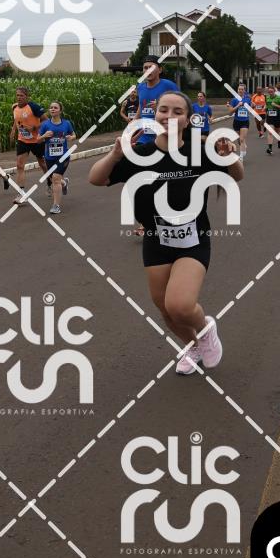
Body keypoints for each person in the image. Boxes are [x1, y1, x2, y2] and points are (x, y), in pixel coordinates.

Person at [89, 91, 244, 375]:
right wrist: (114, 155)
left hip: (192, 239)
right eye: (163, 110)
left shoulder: (199, 150)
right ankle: (193, 346)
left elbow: (237, 175)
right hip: (156, 240)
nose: (169, 116)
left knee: (180, 305)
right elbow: (96, 179)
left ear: (188, 119)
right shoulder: (139, 154)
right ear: (154, 114)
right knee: (165, 309)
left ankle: (206, 329)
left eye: (177, 112)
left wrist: (229, 157)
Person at [10, 87, 49, 204]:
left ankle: (51, 181)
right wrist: (13, 130)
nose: (19, 97)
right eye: (17, 95)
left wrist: (34, 128)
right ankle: (21, 193)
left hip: (37, 140)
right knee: (19, 165)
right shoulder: (14, 107)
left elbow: (46, 121)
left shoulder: (33, 107)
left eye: (21, 95)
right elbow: (17, 119)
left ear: (27, 96)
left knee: (42, 164)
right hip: (23, 140)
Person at [37, 101, 76, 214]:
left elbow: (74, 135)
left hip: (63, 156)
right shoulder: (45, 125)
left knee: (55, 178)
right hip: (49, 157)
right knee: (53, 179)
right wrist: (44, 136)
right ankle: (64, 183)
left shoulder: (66, 123)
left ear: (60, 110)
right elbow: (38, 140)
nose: (52, 109)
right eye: (51, 108)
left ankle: (56, 206)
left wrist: (71, 138)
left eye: (55, 107)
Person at [135, 56, 179, 143]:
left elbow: (181, 108)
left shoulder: (169, 86)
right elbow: (141, 105)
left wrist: (160, 109)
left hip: (164, 136)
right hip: (143, 136)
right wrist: (135, 119)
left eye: (151, 67)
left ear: (160, 70)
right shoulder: (140, 87)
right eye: (145, 68)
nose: (148, 70)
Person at [228, 83, 251, 162]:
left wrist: (252, 106)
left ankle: (241, 157)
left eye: (242, 89)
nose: (240, 90)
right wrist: (238, 105)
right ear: (237, 90)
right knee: (239, 139)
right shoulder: (234, 100)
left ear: (244, 91)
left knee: (241, 139)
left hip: (245, 121)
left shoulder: (247, 99)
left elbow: (251, 107)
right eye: (239, 89)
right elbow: (230, 112)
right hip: (237, 121)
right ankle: (243, 146)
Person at [264, 85, 280, 154]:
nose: (270, 93)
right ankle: (270, 148)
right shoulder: (267, 97)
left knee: (276, 132)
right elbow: (266, 104)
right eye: (269, 92)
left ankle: (279, 141)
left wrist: (276, 105)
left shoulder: (279, 98)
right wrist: (265, 107)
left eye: (272, 92)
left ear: (274, 91)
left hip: (277, 117)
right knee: (270, 132)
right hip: (270, 117)